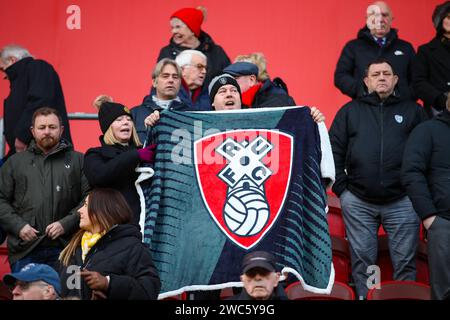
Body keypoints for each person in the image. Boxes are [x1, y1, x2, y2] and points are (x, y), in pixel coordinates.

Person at [329, 59, 428, 299]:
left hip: (403, 201)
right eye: (376, 74)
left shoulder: (413, 111)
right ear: (366, 81)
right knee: (366, 262)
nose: (381, 77)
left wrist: (416, 189)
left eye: (387, 74)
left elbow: (427, 151)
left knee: (405, 261)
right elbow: (333, 150)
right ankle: (369, 296)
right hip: (359, 202)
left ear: (395, 80)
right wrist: (344, 190)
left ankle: (404, 297)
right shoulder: (349, 112)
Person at [0, 107, 89, 273]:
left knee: (71, 297)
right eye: (42, 128)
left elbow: (89, 198)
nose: (47, 132)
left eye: (52, 127)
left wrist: (66, 224)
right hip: (25, 250)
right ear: (33, 131)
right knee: (27, 296)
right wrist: (19, 226)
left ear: (61, 130)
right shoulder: (15, 162)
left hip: (68, 249)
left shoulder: (79, 160)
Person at [59, 188, 160, 300]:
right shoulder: (73, 247)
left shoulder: (131, 247)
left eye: (86, 205)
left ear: (102, 210)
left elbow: (149, 290)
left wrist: (109, 283)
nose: (79, 211)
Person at [401, 94, 450, 300]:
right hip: (444, 222)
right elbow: (411, 172)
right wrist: (430, 217)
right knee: (445, 291)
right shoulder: (427, 130)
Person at [83, 101, 156, 226]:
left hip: (144, 223)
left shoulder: (143, 150)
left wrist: (154, 127)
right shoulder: (95, 154)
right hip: (112, 225)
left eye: (129, 119)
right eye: (119, 120)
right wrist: (134, 156)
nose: (126, 122)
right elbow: (100, 176)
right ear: (108, 127)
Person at [0, 44, 72, 159]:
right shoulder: (24, 77)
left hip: (42, 150)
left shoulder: (37, 67)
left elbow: (40, 101)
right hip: (28, 151)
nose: (5, 75)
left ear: (12, 60)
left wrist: (22, 136)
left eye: (3, 69)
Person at [334, 1, 415, 100]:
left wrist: (403, 96)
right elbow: (341, 76)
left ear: (391, 19)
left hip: (401, 108)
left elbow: (417, 79)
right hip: (364, 108)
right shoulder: (353, 47)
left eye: (384, 15)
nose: (380, 19)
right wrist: (363, 91)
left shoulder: (405, 47)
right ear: (367, 19)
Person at [157, 6, 230, 87]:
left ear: (192, 30)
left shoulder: (216, 52)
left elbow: (228, 80)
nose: (173, 31)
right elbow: (159, 84)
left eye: (178, 27)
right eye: (172, 27)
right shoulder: (166, 52)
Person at [131, 58, 188, 144]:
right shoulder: (135, 113)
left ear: (180, 83)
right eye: (165, 76)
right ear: (154, 82)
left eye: (175, 77)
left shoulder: (190, 113)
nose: (171, 80)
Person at [412, 1, 450, 117]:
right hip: (440, 110)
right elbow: (419, 83)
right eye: (448, 17)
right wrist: (442, 100)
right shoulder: (426, 51)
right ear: (439, 20)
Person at [223, 62, 296, 108]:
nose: (230, 84)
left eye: (235, 79)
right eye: (228, 79)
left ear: (251, 80)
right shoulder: (232, 102)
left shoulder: (278, 100)